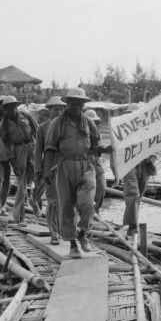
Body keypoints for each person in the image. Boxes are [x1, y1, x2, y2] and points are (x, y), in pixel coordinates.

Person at [43, 87, 109, 259]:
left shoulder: (88, 123)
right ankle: (72, 243)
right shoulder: (56, 124)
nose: (78, 107)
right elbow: (49, 149)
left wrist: (105, 149)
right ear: (68, 104)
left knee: (88, 203)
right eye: (75, 103)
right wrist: (45, 172)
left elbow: (95, 145)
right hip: (64, 166)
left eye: (81, 103)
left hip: (86, 165)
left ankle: (83, 233)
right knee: (66, 206)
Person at [0, 96, 37, 223]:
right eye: (9, 107)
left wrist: (41, 150)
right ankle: (20, 217)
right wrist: (12, 162)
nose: (12, 110)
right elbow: (5, 145)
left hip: (32, 147)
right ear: (5, 109)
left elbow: (37, 131)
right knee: (21, 182)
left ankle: (34, 200)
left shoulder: (26, 116)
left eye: (14, 106)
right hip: (18, 150)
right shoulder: (3, 125)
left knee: (38, 178)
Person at [34, 96, 66, 243]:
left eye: (61, 108)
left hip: (66, 168)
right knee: (53, 200)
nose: (58, 112)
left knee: (65, 201)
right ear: (49, 110)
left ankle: (62, 229)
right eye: (55, 109)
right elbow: (38, 151)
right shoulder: (42, 128)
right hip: (50, 169)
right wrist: (38, 171)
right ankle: (54, 232)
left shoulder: (68, 126)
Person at [83, 109, 108, 216]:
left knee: (102, 186)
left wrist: (105, 149)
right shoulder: (81, 133)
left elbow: (97, 147)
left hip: (96, 162)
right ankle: (85, 212)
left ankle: (96, 210)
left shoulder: (97, 133)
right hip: (84, 163)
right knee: (86, 189)